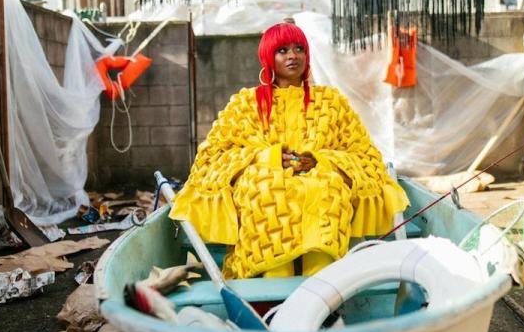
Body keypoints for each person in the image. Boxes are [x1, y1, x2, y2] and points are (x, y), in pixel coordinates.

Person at [170, 22, 409, 279]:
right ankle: (274, 278)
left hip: (319, 182)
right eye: (282, 50)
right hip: (264, 183)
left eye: (299, 49)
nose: (293, 56)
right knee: (265, 187)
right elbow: (213, 158)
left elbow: (364, 155)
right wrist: (268, 157)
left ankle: (322, 277)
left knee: (327, 187)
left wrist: (320, 160)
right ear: (268, 57)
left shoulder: (331, 102)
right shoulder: (245, 104)